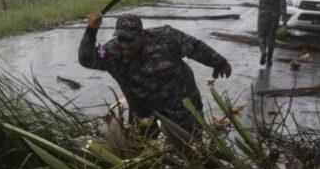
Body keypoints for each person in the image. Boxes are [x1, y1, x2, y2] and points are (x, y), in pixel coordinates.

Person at [78, 12, 232, 135]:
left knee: (191, 151)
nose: (125, 45)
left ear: (141, 34)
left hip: (181, 105)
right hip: (144, 112)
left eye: (130, 40)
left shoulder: (166, 37)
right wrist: (91, 29)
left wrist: (220, 63)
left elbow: (196, 48)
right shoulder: (112, 52)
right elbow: (86, 58)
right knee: (141, 157)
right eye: (121, 39)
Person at [252, 0, 287, 66]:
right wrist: (284, 20)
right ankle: (269, 60)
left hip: (263, 15)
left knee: (261, 36)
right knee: (271, 38)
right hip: (275, 16)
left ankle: (263, 52)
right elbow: (283, 3)